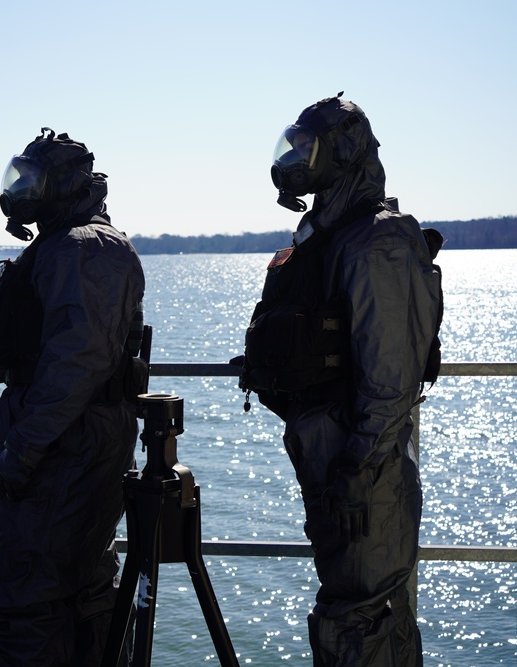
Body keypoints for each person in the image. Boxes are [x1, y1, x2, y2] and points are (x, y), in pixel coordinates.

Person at [0, 127, 145, 666]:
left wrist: (25, 448)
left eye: (32, 180)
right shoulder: (59, 247)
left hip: (67, 451)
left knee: (27, 602)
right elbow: (26, 348)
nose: (20, 191)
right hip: (66, 445)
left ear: (62, 186)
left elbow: (76, 365)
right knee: (74, 593)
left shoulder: (87, 250)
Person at [238, 94, 442, 666]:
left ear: (343, 154)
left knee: (360, 614)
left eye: (309, 148)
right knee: (355, 605)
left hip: (362, 466)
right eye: (295, 146)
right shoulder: (332, 235)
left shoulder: (379, 239)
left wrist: (356, 466)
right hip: (333, 457)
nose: (298, 158)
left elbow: (390, 375)